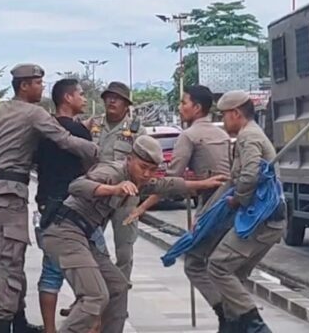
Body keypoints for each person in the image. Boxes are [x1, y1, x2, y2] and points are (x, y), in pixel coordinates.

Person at [41, 135, 227, 333]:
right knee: (94, 296)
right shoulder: (112, 171)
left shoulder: (140, 179)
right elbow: (77, 186)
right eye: (142, 166)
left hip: (84, 236)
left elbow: (168, 185)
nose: (147, 174)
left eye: (152, 169)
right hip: (64, 233)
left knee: (118, 286)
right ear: (130, 159)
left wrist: (204, 184)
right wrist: (113, 189)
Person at [0, 64, 98, 333]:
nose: (42, 87)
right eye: (38, 83)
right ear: (24, 85)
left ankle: (19, 321)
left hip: (0, 193)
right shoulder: (34, 113)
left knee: (12, 257)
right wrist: (96, 150)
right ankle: (3, 322)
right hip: (12, 194)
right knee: (11, 264)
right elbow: (63, 139)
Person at [194, 90, 284, 333]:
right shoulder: (252, 134)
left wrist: (238, 199)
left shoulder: (248, 137)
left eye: (224, 116)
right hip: (268, 220)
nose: (223, 122)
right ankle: (233, 327)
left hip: (259, 219)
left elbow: (250, 175)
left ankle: (256, 328)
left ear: (235, 114)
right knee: (236, 276)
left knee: (218, 266)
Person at [33, 79, 92, 333]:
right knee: (95, 272)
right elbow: (91, 168)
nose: (85, 98)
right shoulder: (79, 133)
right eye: (80, 94)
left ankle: (49, 329)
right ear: (67, 98)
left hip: (47, 207)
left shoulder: (41, 132)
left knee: (51, 272)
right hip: (76, 209)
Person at [127, 84, 231, 219]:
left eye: (183, 103)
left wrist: (141, 208)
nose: (179, 108)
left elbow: (170, 181)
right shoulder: (222, 135)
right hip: (230, 200)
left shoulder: (188, 135)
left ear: (197, 108)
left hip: (210, 203)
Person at [90, 81, 145, 280]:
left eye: (117, 98)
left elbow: (144, 165)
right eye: (108, 97)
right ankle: (92, 292)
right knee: (91, 245)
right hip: (98, 194)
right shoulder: (93, 125)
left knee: (124, 250)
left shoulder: (136, 130)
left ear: (126, 104)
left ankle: (120, 295)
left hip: (125, 199)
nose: (112, 101)